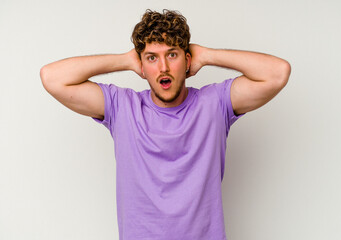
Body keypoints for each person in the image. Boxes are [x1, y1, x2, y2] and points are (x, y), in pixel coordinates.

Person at [40, 9, 291, 240]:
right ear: (141, 65)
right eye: (151, 58)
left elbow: (278, 73)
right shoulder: (123, 108)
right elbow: (52, 77)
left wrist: (208, 55)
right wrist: (125, 60)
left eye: (172, 55)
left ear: (187, 60)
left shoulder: (214, 103)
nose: (163, 68)